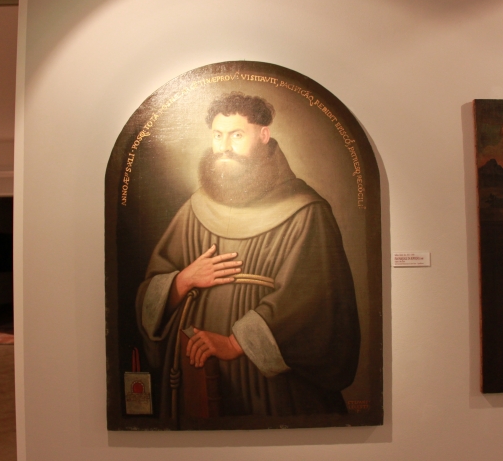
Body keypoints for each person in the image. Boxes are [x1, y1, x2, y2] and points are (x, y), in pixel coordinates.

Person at [136, 91, 360, 419]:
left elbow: (315, 302)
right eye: (218, 135)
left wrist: (235, 342)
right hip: (197, 375)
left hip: (268, 387)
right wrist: (183, 280)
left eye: (237, 135)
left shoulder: (306, 211)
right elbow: (149, 291)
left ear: (264, 135)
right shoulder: (195, 208)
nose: (224, 146)